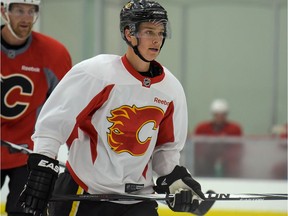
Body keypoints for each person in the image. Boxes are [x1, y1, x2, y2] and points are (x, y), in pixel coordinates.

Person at [18, 0, 205, 216]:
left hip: (137, 198)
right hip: (85, 192)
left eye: (161, 32)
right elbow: (53, 123)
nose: (157, 39)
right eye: (149, 31)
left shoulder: (171, 89)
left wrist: (176, 180)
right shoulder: (97, 74)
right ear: (129, 34)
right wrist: (43, 165)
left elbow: (166, 149)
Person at [0, 0, 72, 215]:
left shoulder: (54, 53)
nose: (26, 18)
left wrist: (74, 151)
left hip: (28, 153)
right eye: (20, 10)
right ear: (4, 10)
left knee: (27, 210)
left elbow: (67, 106)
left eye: (31, 11)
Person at [193, 99, 243, 177]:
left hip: (227, 164)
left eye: (222, 115)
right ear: (213, 114)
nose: (219, 118)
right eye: (217, 115)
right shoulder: (202, 128)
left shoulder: (234, 129)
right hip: (207, 163)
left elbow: (237, 150)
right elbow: (197, 150)